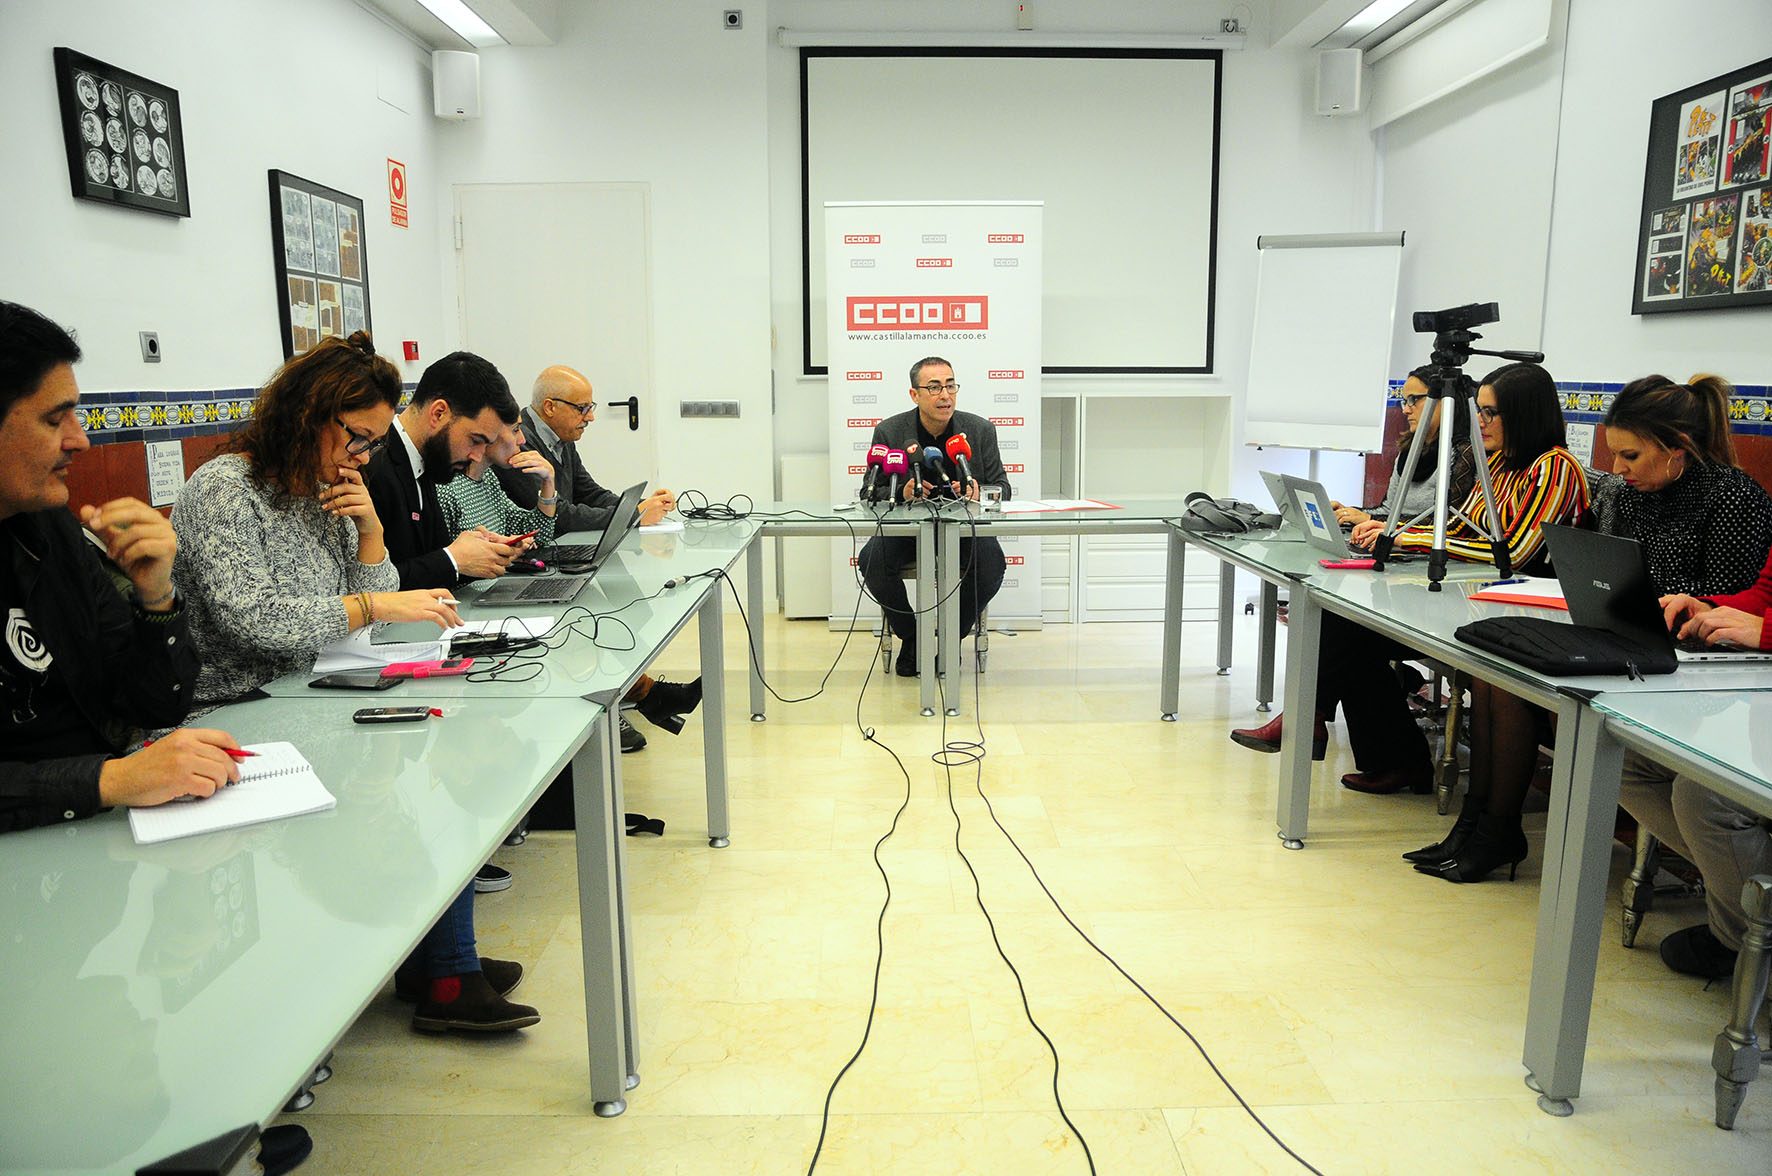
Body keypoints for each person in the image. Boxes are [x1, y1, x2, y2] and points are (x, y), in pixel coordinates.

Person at [171, 334, 538, 1033]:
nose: (362, 457)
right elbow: (257, 623)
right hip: (235, 708)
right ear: (309, 414)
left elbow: (365, 605)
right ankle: (446, 975)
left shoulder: (325, 488)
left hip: (309, 692)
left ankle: (438, 958)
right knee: (409, 790)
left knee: (431, 765)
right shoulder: (224, 491)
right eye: (357, 438)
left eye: (371, 443)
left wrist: (370, 533)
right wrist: (374, 602)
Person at [1415, 373, 1771, 884]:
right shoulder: (1628, 495)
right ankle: (1487, 824)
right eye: (1614, 455)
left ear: (1679, 449)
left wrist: (1689, 607)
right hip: (1629, 640)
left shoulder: (1734, 498)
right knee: (1500, 671)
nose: (1618, 470)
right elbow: (1606, 572)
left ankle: (1517, 838)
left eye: (1630, 456)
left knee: (1565, 694)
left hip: (1694, 671)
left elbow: (1732, 604)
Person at [1231, 362, 1589, 795]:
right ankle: (1380, 753)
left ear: (1526, 413)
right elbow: (1460, 530)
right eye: (1481, 410)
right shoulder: (1497, 462)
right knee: (1348, 622)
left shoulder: (1554, 468)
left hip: (1513, 612)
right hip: (1468, 593)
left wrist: (1406, 537)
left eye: (1492, 413)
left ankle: (1316, 721)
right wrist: (1402, 539)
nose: (1481, 421)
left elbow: (1513, 553)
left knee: (1352, 634)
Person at [0, 300, 243, 836]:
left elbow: (155, 703)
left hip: (91, 837)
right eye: (52, 418)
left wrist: (157, 596)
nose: (80, 439)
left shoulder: (49, 527)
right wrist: (111, 781)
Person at [856, 356, 1010, 676]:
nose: (945, 395)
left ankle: (951, 638)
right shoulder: (889, 431)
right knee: (872, 559)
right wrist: (902, 493)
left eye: (950, 386)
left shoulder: (979, 430)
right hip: (909, 530)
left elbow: (1002, 489)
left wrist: (979, 492)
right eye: (935, 387)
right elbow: (870, 493)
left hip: (964, 529)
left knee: (991, 564)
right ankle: (913, 638)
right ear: (915, 395)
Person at [363, 350, 524, 590]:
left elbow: (429, 561)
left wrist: (478, 556)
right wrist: (454, 559)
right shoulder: (372, 466)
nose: (477, 456)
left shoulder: (428, 460)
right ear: (439, 413)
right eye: (475, 440)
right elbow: (371, 586)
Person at [496, 364, 674, 531]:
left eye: (591, 407)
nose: (590, 417)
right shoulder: (519, 442)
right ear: (550, 407)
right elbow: (556, 515)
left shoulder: (562, 436)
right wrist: (632, 516)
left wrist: (642, 505)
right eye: (582, 408)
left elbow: (590, 494)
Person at [1331, 365, 1477, 530]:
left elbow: (1446, 523)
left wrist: (1369, 518)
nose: (1406, 410)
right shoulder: (1409, 450)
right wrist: (1347, 514)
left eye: (1414, 400)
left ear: (1444, 402)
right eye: (1405, 401)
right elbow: (1388, 511)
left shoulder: (1464, 453)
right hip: (1399, 542)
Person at [438, 419, 557, 547]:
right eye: (515, 430)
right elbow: (444, 561)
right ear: (488, 433)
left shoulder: (488, 477)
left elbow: (538, 536)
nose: (522, 440)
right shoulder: (446, 490)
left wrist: (548, 481)